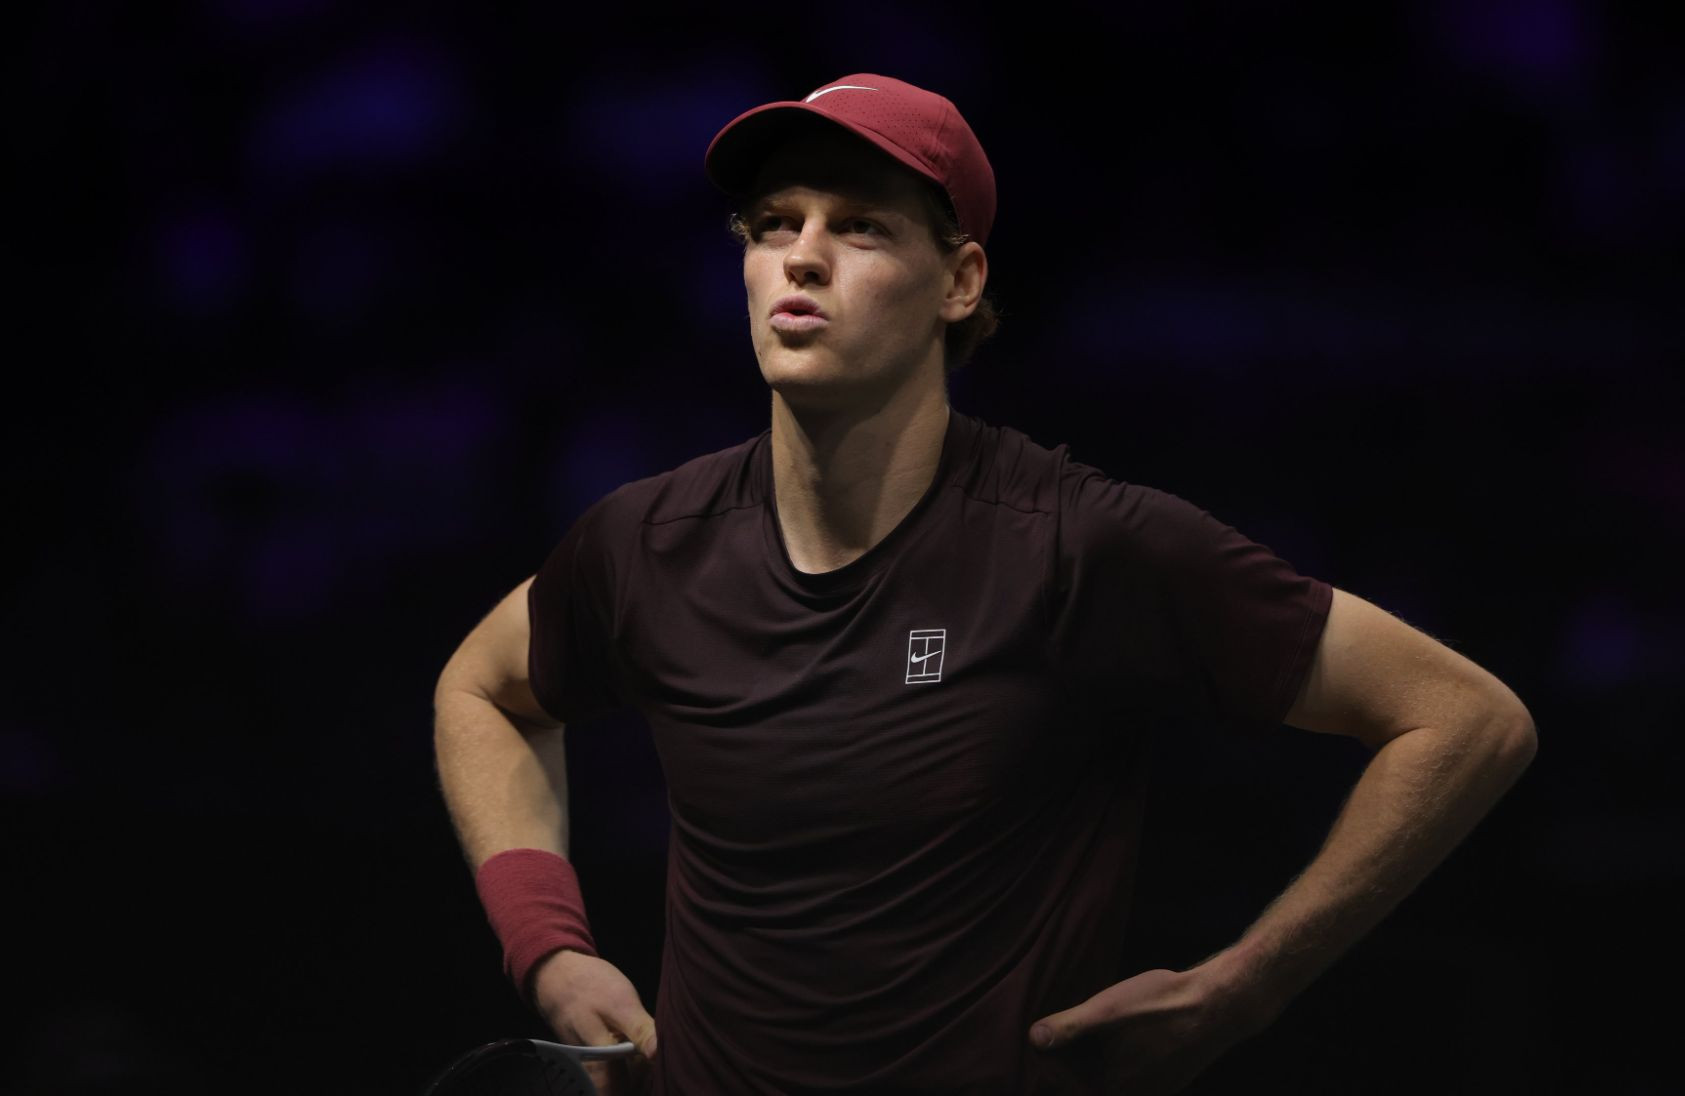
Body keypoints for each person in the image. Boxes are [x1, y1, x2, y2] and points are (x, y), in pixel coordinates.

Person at [433, 74, 1538, 1095]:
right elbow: (482, 692)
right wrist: (549, 949)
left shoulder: (1074, 544)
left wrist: (1244, 985)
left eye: (859, 226)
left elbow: (1463, 719)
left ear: (959, 282)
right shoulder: (648, 541)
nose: (801, 258)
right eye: (773, 224)